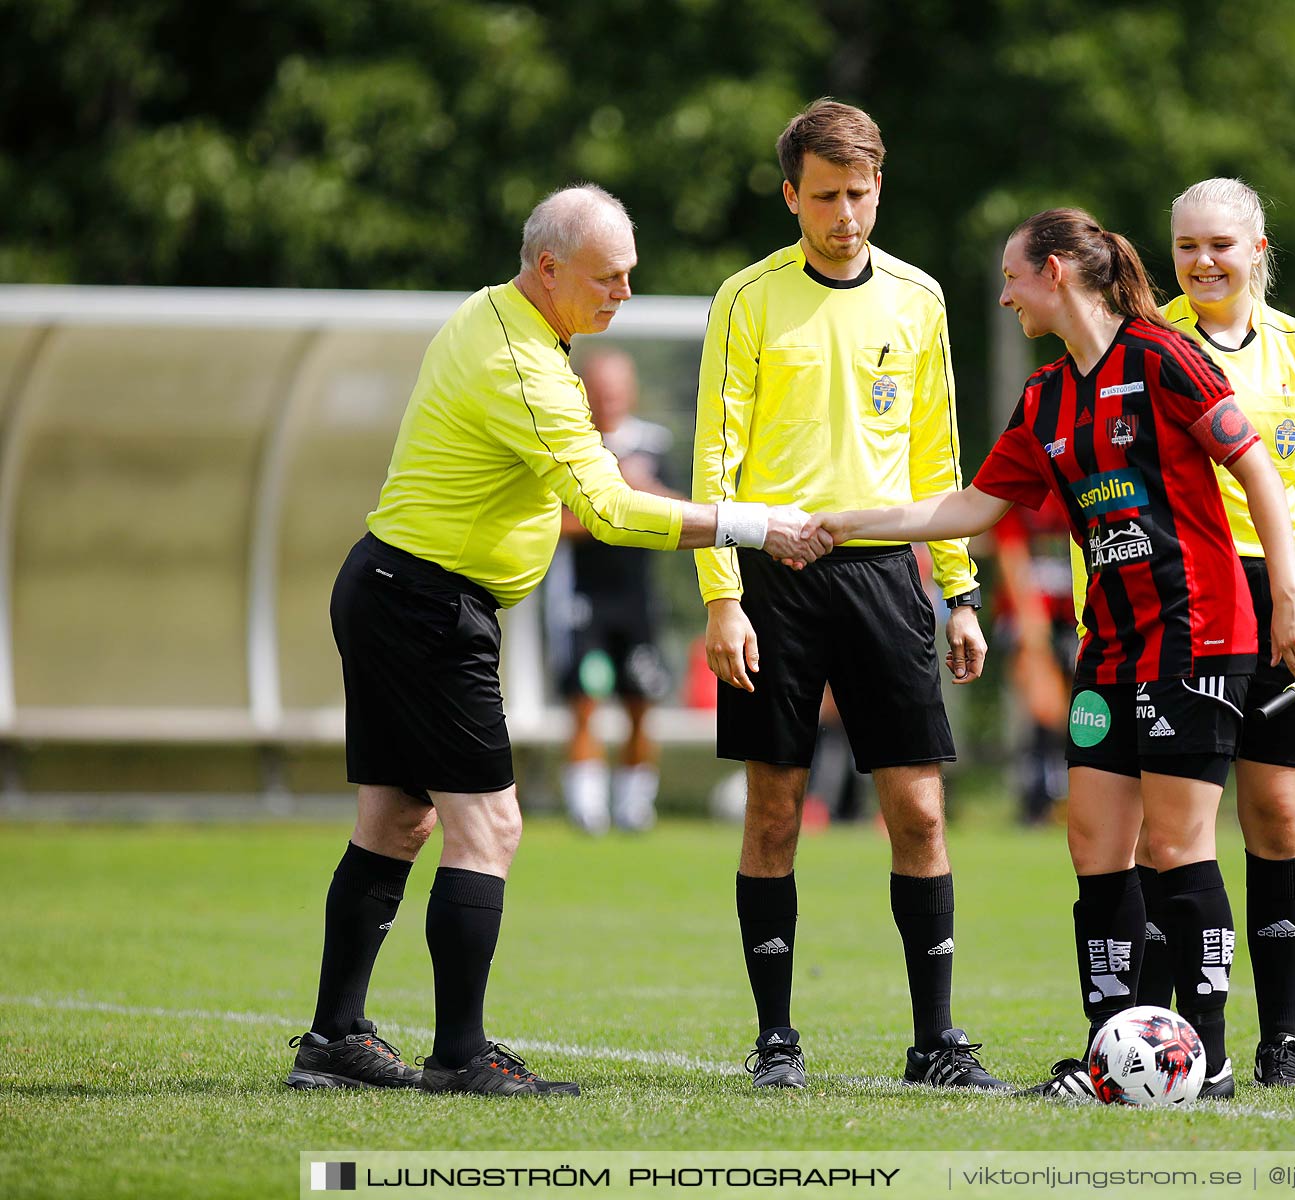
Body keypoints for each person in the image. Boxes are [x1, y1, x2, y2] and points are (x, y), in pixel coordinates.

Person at [285, 185, 826, 1097]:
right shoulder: (522, 364)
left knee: (396, 819)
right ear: (548, 268)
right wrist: (756, 526)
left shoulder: (496, 315)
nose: (623, 293)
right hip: (423, 605)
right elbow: (610, 510)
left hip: (393, 588)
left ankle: (334, 1038)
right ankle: (459, 1055)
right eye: (608, 278)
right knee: (488, 825)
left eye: (630, 276)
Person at [811, 207, 1295, 1102]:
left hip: (1198, 632)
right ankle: (1111, 1055)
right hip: (1111, 649)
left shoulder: (1163, 356)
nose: (1004, 295)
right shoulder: (1047, 397)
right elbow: (970, 506)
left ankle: (1212, 1053)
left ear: (1053, 271)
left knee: (1175, 841)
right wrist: (851, 522)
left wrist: (1286, 597)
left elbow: (1260, 473)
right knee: (1094, 844)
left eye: (1012, 277)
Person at [690, 100, 1002, 1091]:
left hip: (882, 576)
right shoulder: (746, 298)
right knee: (774, 809)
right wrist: (721, 596)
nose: (844, 215)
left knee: (917, 809)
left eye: (858, 194)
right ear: (791, 196)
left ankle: (936, 1044)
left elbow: (937, 454)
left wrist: (961, 591)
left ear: (879, 189)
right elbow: (716, 459)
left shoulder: (918, 298)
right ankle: (776, 1039)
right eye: (823, 196)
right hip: (773, 578)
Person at [1126, 178, 1295, 1090]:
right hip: (1180, 600)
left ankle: (1282, 1038)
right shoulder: (1151, 346)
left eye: (1220, 244)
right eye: (1186, 246)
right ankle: (1155, 1038)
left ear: (1259, 248)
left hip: (1287, 601)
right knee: (1172, 829)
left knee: (1277, 815)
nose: (1202, 261)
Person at [552, 351, 679, 834]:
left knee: (641, 704)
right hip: (583, 602)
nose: (609, 397)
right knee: (584, 701)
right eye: (600, 389)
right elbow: (552, 526)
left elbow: (683, 509)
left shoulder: (653, 443)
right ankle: (587, 810)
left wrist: (638, 495)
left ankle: (634, 808)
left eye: (616, 388)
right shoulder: (572, 446)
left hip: (638, 601)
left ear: (631, 391)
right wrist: (610, 506)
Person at [989, 502, 1081, 825]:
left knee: (1074, 709)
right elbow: (1010, 553)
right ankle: (1038, 798)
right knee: (1043, 703)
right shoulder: (1021, 497)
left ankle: (1067, 794)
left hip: (1072, 615)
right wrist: (1031, 624)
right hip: (1027, 615)